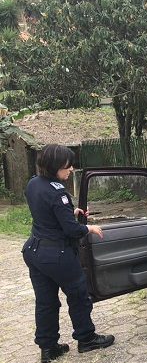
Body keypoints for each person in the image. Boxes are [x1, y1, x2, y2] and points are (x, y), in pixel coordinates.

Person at [22, 144, 115, 363]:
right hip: (58, 254)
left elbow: (45, 212)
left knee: (45, 301)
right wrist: (88, 228)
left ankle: (48, 347)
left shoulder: (34, 184)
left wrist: (70, 211)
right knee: (79, 296)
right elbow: (71, 230)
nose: (71, 169)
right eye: (68, 165)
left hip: (35, 251)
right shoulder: (58, 192)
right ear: (55, 165)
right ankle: (86, 338)